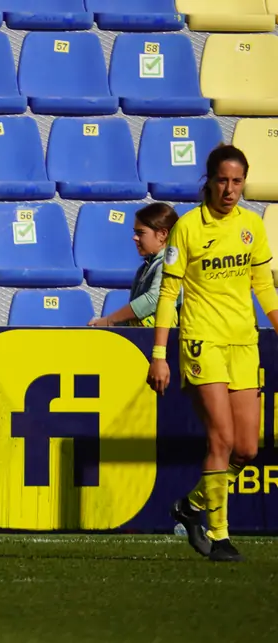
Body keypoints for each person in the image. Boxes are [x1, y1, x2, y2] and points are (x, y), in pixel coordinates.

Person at [148, 145, 278, 563]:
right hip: (203, 340)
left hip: (243, 342)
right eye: (222, 180)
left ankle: (190, 507)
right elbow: (168, 293)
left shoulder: (252, 226)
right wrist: (159, 354)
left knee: (246, 450)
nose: (229, 189)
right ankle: (219, 534)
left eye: (237, 181)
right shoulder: (188, 227)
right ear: (209, 180)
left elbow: (263, 286)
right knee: (220, 438)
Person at [89, 203, 180, 328]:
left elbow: (154, 300)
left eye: (140, 233)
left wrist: (111, 320)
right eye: (135, 232)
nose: (135, 238)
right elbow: (134, 317)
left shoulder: (170, 264)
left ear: (162, 234)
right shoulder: (144, 269)